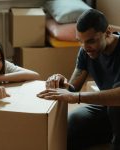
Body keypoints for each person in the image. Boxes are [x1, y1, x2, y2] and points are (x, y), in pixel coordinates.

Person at [37, 9, 120, 150]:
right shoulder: (86, 51)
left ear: (107, 32)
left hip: (116, 107)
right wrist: (60, 82)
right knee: (72, 123)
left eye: (91, 41)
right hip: (107, 107)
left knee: (115, 110)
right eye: (80, 41)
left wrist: (77, 97)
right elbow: (72, 87)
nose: (85, 47)